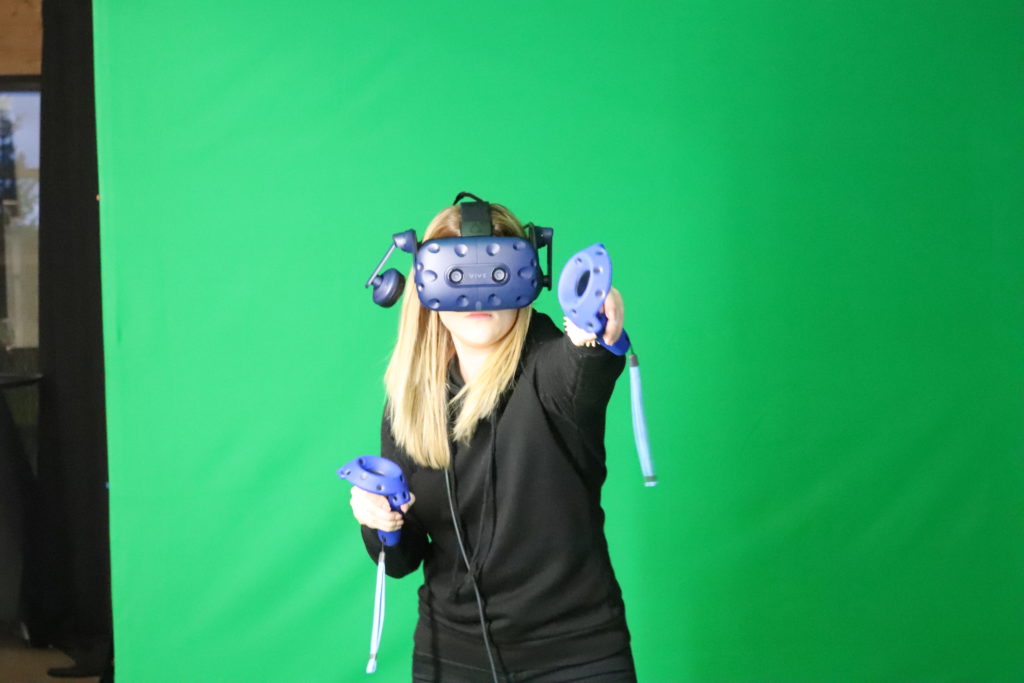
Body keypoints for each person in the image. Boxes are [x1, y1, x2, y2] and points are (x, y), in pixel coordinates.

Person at [349, 200, 636, 682]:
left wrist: (596, 332)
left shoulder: (552, 369)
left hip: (578, 654)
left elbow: (584, 364)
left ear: (528, 279)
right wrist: (382, 522)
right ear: (424, 284)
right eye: (458, 276)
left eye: (497, 275)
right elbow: (399, 562)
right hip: (452, 654)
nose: (479, 296)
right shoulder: (410, 401)